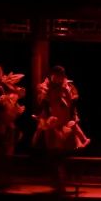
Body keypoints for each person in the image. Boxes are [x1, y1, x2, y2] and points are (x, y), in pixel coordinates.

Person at [32, 65, 91, 193]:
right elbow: (43, 104)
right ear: (51, 75)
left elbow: (73, 104)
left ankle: (61, 182)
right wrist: (48, 118)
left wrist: (73, 118)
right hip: (51, 122)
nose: (57, 78)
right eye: (55, 76)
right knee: (54, 152)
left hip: (65, 121)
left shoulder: (68, 87)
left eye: (59, 76)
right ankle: (58, 183)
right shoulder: (46, 87)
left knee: (62, 154)